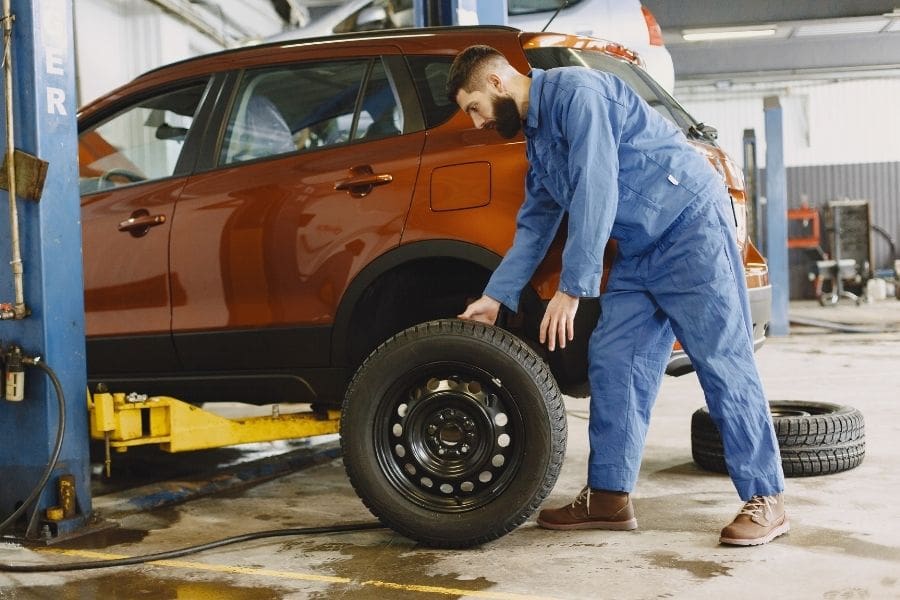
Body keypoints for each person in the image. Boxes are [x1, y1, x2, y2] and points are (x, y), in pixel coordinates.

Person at [446, 45, 788, 546]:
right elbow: (538, 220)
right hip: (639, 248)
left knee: (722, 360)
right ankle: (609, 496)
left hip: (689, 228)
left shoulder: (577, 94)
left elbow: (596, 187)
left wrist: (573, 288)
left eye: (473, 107)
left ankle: (767, 498)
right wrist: (496, 295)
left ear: (497, 83)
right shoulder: (539, 137)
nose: (475, 122)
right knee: (614, 359)